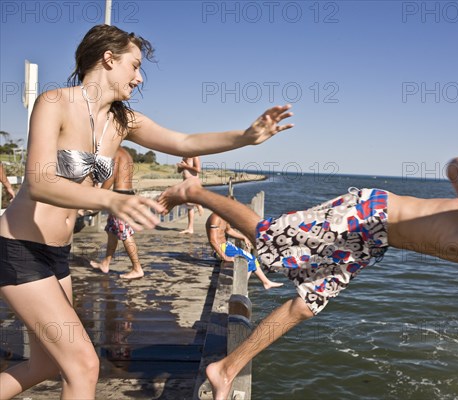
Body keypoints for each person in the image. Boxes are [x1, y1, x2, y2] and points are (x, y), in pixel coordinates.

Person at [0, 24, 293, 399]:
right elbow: (40, 183)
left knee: (45, 364)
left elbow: (184, 141)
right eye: (134, 66)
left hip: (56, 255)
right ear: (108, 58)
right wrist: (112, 200)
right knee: (83, 366)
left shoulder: (122, 121)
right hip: (18, 248)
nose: (139, 78)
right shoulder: (55, 102)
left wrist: (245, 137)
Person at [157, 156, 458, 400]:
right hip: (368, 213)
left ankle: (226, 369)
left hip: (375, 242)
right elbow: (455, 170)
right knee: (270, 238)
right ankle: (193, 192)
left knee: (308, 304)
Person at [89, 146, 144, 279]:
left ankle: (137, 268)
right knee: (112, 230)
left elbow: (111, 176)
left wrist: (99, 193)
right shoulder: (126, 152)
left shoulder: (115, 152)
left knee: (124, 232)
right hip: (126, 194)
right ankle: (105, 263)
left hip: (121, 197)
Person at [206, 211, 283, 290]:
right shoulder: (215, 218)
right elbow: (213, 241)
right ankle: (240, 287)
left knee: (252, 259)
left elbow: (229, 230)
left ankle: (264, 282)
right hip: (220, 249)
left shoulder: (224, 216)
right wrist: (225, 257)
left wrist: (243, 237)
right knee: (248, 261)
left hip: (227, 246)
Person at [177, 156, 203, 234]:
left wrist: (185, 166)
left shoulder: (195, 156)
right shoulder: (184, 157)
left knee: (191, 200)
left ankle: (199, 205)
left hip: (192, 181)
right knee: (189, 206)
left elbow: (198, 169)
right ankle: (190, 228)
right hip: (186, 182)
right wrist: (180, 166)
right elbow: (179, 171)